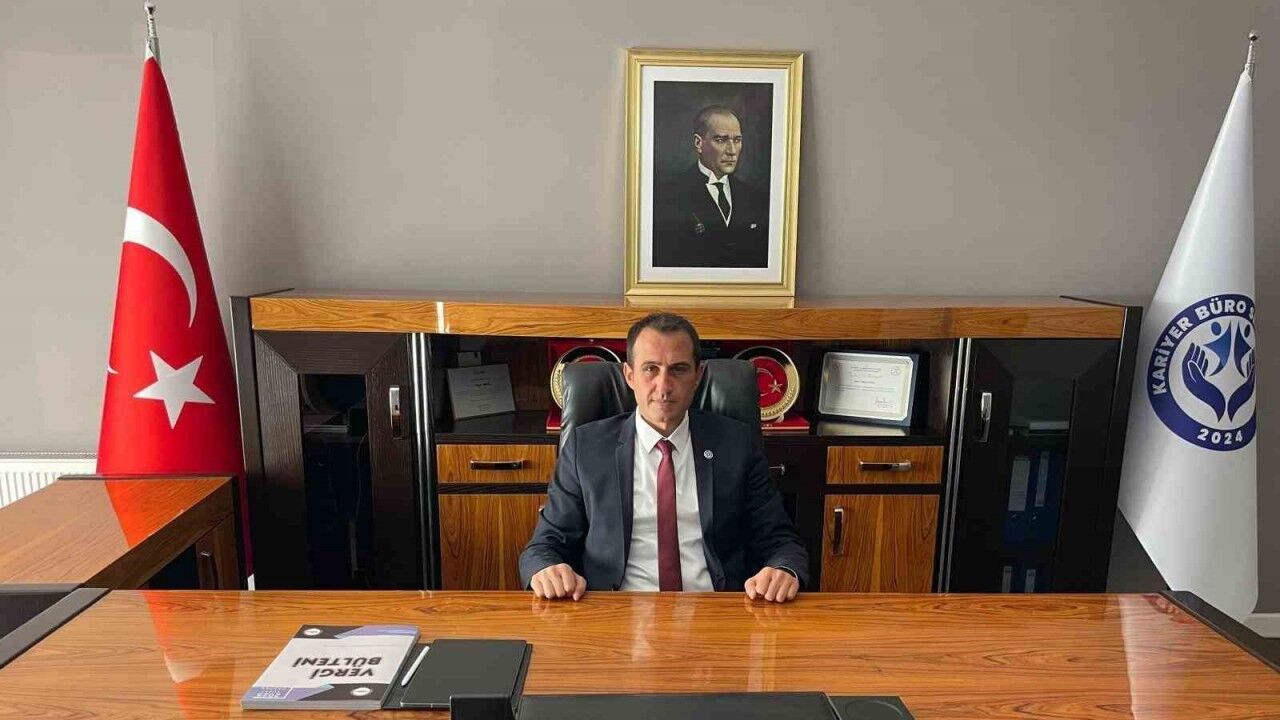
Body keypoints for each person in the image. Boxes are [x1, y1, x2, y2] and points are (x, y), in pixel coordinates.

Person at [519, 312, 808, 603]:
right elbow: (544, 546)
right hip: (615, 611)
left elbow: (781, 541)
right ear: (629, 375)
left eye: (678, 369)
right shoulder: (586, 447)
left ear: (698, 375)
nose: (664, 386)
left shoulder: (736, 444)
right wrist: (546, 569)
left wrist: (783, 569)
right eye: (650, 369)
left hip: (715, 611)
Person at [652, 106, 770, 268]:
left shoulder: (755, 198)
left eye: (737, 140)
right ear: (698, 143)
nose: (732, 151)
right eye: (721, 140)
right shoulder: (668, 197)